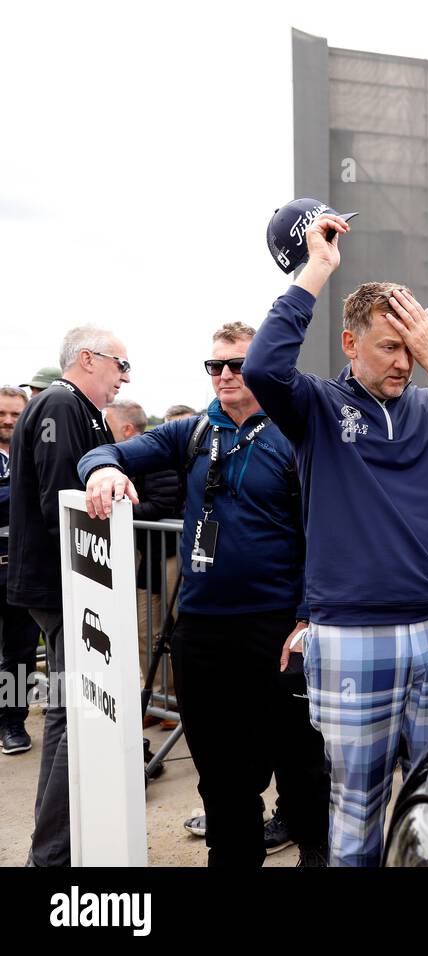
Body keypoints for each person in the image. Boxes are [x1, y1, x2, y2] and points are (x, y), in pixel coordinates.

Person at [242, 212, 428, 866]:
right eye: (389, 348)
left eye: (411, 347)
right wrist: (318, 268)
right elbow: (262, 367)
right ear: (350, 343)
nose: (403, 363)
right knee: (358, 805)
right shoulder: (315, 408)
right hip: (355, 638)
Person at [79, 323, 329, 867]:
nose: (224, 375)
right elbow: (105, 453)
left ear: (264, 368)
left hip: (280, 631)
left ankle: (314, 849)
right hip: (203, 630)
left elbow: (323, 534)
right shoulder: (191, 433)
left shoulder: (296, 434)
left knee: (300, 759)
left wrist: (309, 618)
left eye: (237, 364)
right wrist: (101, 469)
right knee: (219, 769)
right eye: (215, 366)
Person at [7, 327, 128, 865]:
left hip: (61, 586)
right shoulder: (60, 402)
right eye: (121, 364)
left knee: (65, 712)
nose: (123, 377)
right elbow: (65, 502)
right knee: (68, 715)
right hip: (61, 588)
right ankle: (51, 853)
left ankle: (52, 845)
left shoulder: (73, 407)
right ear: (88, 358)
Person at [104, 401, 182, 714]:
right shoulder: (123, 462)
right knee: (145, 630)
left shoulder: (157, 458)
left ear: (126, 430)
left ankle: (177, 701)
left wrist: (118, 509)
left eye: (108, 426)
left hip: (170, 556)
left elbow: (164, 503)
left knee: (178, 628)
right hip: (146, 558)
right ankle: (158, 701)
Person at [0, 386, 41, 756]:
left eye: (15, 414)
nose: (9, 421)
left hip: (21, 566)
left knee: (21, 652)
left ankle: (13, 722)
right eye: (2, 414)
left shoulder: (32, 452)